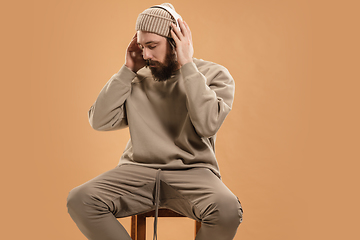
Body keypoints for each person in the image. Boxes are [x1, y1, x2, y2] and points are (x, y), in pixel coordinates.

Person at [67, 3, 243, 240]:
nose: (146, 55)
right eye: (141, 47)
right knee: (80, 199)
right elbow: (99, 121)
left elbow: (207, 125)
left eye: (152, 46)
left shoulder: (213, 75)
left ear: (176, 42)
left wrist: (188, 65)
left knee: (228, 209)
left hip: (193, 173)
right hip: (137, 172)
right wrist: (128, 69)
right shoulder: (136, 78)